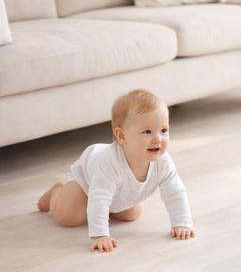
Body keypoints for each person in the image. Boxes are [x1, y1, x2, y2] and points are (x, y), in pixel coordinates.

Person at [37, 88, 194, 252]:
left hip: (119, 191)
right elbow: (99, 198)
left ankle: (108, 211)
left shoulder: (164, 162)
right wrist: (100, 235)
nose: (158, 139)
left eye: (163, 130)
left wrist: (182, 222)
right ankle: (57, 193)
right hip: (87, 181)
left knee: (131, 215)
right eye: (147, 132)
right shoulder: (109, 163)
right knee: (69, 216)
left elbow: (175, 192)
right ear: (121, 136)